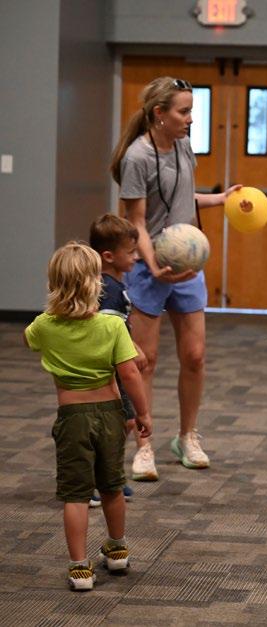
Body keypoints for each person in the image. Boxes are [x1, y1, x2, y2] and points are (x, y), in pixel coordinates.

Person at [110, 76, 240, 477]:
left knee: (195, 357)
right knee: (144, 361)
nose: (190, 119)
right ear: (159, 114)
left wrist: (221, 199)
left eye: (191, 112)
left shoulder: (183, 146)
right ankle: (144, 445)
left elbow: (184, 199)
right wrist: (153, 267)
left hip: (186, 265)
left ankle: (187, 437)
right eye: (184, 112)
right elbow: (137, 222)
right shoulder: (136, 157)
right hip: (149, 267)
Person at [24, 242, 152, 591]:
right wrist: (142, 413)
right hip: (110, 415)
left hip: (72, 418)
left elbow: (28, 338)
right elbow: (130, 373)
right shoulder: (112, 326)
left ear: (54, 284)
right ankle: (117, 549)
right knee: (112, 485)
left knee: (76, 494)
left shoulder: (45, 326)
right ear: (96, 284)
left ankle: (79, 567)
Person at [89, 214, 147, 497]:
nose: (136, 257)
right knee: (117, 423)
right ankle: (96, 478)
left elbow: (119, 327)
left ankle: (110, 474)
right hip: (111, 370)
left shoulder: (115, 285)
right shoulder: (108, 290)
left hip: (117, 364)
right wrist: (130, 351)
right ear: (109, 256)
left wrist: (133, 346)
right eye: (131, 252)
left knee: (125, 421)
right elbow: (108, 330)